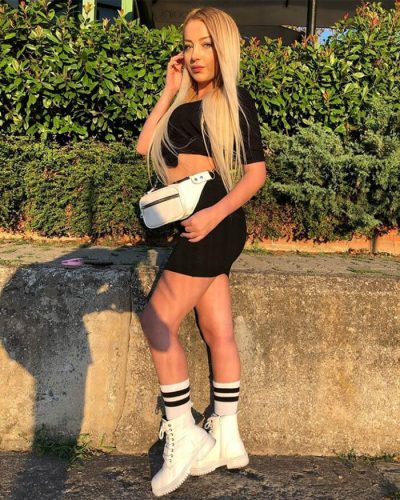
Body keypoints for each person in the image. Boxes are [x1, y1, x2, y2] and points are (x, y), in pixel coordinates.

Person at [136, 6, 266, 497]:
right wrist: (169, 90)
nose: (194, 54)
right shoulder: (188, 98)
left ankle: (184, 431)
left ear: (224, 47)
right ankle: (228, 438)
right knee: (217, 331)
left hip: (211, 219)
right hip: (202, 220)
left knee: (156, 321)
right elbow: (144, 147)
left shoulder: (232, 99)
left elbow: (255, 174)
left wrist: (212, 216)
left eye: (205, 44)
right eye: (188, 44)